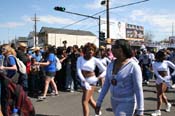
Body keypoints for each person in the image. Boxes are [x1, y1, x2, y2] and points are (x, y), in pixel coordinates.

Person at [95, 39, 144, 116]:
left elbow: (138, 89)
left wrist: (140, 110)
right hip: (114, 101)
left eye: (115, 47)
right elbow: (106, 85)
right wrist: (99, 102)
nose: (112, 49)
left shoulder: (133, 66)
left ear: (122, 49)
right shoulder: (111, 64)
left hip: (128, 101)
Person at [76, 42, 106, 116]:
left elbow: (105, 70)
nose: (91, 51)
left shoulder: (95, 60)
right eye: (89, 49)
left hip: (92, 80)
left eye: (92, 50)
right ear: (85, 50)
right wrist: (83, 81)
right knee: (89, 100)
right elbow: (79, 71)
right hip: (83, 81)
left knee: (84, 101)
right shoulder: (80, 59)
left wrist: (98, 78)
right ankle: (98, 112)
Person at [151, 50, 175, 116]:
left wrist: (171, 76)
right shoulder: (154, 63)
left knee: (159, 94)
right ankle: (168, 104)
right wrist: (161, 79)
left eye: (165, 55)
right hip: (159, 80)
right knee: (161, 94)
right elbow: (156, 73)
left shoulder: (167, 62)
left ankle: (158, 110)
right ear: (159, 56)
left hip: (166, 80)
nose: (165, 56)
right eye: (164, 55)